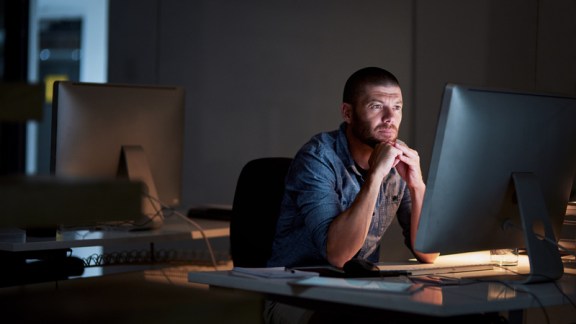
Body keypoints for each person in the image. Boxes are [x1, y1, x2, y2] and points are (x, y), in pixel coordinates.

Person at [264, 67, 439, 323]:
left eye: (398, 107)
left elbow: (428, 253)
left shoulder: (397, 161)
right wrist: (375, 176)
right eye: (377, 106)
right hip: (295, 293)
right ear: (348, 112)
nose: (390, 117)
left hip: (357, 292)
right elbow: (339, 256)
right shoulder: (318, 158)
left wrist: (417, 185)